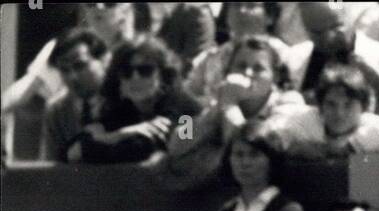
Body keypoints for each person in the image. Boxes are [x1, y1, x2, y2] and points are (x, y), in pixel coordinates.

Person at [164, 33, 319, 189]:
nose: (248, 73)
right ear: (228, 71)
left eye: (258, 68)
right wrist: (213, 112)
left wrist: (229, 106)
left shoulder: (288, 103)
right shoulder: (216, 101)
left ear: (275, 76)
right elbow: (177, 144)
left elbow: (250, 151)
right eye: (241, 66)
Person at [75, 33, 201, 163]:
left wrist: (104, 138)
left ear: (163, 75)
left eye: (145, 70)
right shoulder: (121, 108)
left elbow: (143, 148)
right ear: (118, 79)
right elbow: (72, 151)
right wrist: (122, 134)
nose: (135, 78)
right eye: (127, 71)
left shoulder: (185, 108)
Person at [292, 1, 379, 114]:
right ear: (306, 30)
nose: (329, 37)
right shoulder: (293, 60)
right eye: (317, 33)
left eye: (336, 27)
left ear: (349, 18)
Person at [41, 26, 110, 162]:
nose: (72, 76)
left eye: (80, 66)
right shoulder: (56, 110)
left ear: (103, 60)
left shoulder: (124, 96)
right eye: (64, 70)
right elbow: (49, 169)